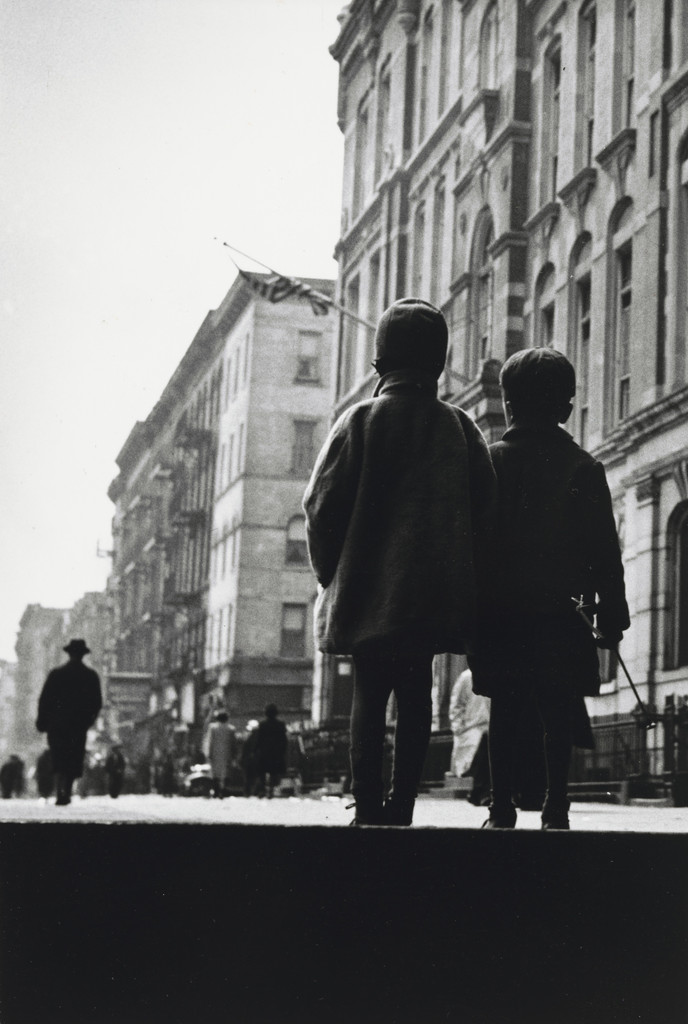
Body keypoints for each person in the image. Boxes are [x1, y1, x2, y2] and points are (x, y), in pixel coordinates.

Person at [303, 297, 497, 826]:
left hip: (367, 591)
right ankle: (402, 804)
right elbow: (487, 516)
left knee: (369, 694)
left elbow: (319, 508)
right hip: (432, 597)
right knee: (416, 692)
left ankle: (366, 802)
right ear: (439, 364)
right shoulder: (460, 427)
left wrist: (333, 576)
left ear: (378, 365)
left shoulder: (358, 421)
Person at [469, 348, 630, 830]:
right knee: (558, 708)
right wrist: (612, 617)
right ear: (566, 408)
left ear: (508, 404)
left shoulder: (489, 463)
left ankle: (501, 806)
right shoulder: (584, 468)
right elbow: (605, 553)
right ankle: (555, 805)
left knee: (505, 705)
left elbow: (472, 546)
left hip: (500, 614)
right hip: (565, 613)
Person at [35, 638, 102, 806]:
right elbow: (96, 702)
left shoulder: (56, 674)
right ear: (82, 655)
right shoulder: (90, 676)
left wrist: (42, 720)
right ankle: (67, 790)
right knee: (74, 756)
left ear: (69, 654)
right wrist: (88, 720)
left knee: (59, 756)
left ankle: (60, 790)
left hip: (57, 725)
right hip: (77, 725)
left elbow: (45, 699)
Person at [448, 669, 490, 807]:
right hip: (471, 727)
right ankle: (480, 791)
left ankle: (481, 792)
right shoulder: (467, 677)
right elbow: (456, 704)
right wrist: (458, 728)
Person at [254, 704, 287, 799]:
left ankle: (262, 789)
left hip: (265, 751)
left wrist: (256, 750)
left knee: (262, 772)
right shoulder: (281, 724)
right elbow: (283, 739)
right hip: (276, 752)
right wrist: (283, 750)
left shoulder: (263, 724)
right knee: (273, 772)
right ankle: (271, 790)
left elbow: (259, 739)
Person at [205, 710, 236, 798]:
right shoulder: (231, 728)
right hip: (227, 754)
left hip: (215, 754)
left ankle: (216, 790)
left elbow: (209, 741)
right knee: (225, 773)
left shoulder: (213, 727)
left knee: (215, 774)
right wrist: (234, 754)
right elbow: (233, 743)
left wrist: (208, 753)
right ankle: (223, 790)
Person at [240, 720, 260, 796]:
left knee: (248, 778)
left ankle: (248, 792)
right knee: (256, 777)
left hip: (249, 761)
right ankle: (256, 791)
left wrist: (242, 760)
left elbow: (245, 750)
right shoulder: (262, 737)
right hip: (258, 761)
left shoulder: (249, 737)